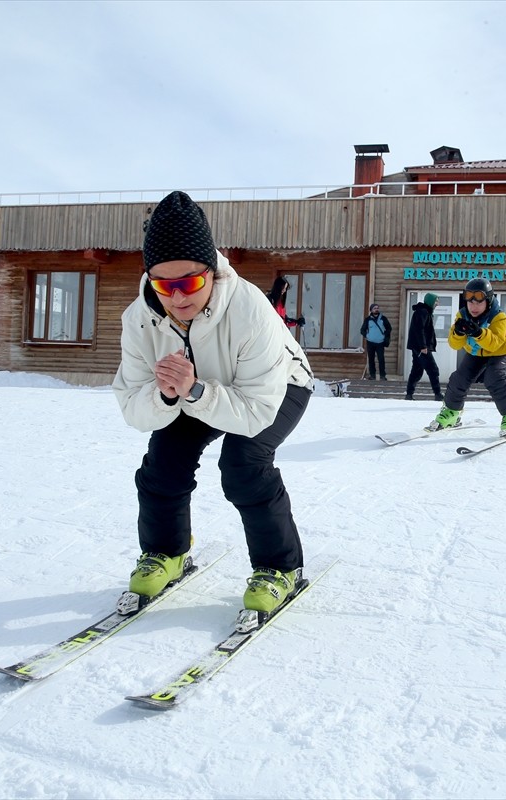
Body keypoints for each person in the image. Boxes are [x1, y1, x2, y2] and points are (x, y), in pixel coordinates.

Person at [113, 191, 315, 629]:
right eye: (163, 285)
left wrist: (196, 391)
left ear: (213, 272)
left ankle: (280, 567)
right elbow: (133, 404)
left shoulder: (250, 310)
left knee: (244, 464)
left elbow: (257, 410)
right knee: (162, 463)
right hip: (191, 389)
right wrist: (168, 396)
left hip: (278, 387)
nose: (178, 297)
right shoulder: (139, 320)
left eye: (189, 282)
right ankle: (167, 554)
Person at [427, 278, 506, 437]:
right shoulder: (462, 315)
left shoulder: (498, 317)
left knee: (494, 379)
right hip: (476, 352)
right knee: (459, 378)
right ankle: (452, 412)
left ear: (488, 301)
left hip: (499, 351)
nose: (474, 307)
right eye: (470, 302)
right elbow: (455, 345)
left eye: (479, 302)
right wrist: (458, 333)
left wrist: (478, 333)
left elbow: (494, 344)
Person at [405, 293, 443, 401]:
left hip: (419, 346)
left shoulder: (425, 312)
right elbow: (419, 330)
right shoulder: (423, 312)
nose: (437, 304)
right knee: (433, 369)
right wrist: (423, 346)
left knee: (417, 370)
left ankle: (409, 394)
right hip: (421, 347)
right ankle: (438, 394)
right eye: (436, 301)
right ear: (430, 301)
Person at [359, 303, 392, 380]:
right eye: (374, 308)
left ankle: (382, 376)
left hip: (380, 342)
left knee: (381, 359)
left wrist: (384, 335)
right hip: (370, 342)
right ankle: (372, 375)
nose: (376, 309)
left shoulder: (383, 319)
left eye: (377, 308)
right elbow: (362, 330)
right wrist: (367, 336)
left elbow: (389, 328)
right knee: (371, 359)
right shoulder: (368, 320)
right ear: (371, 310)